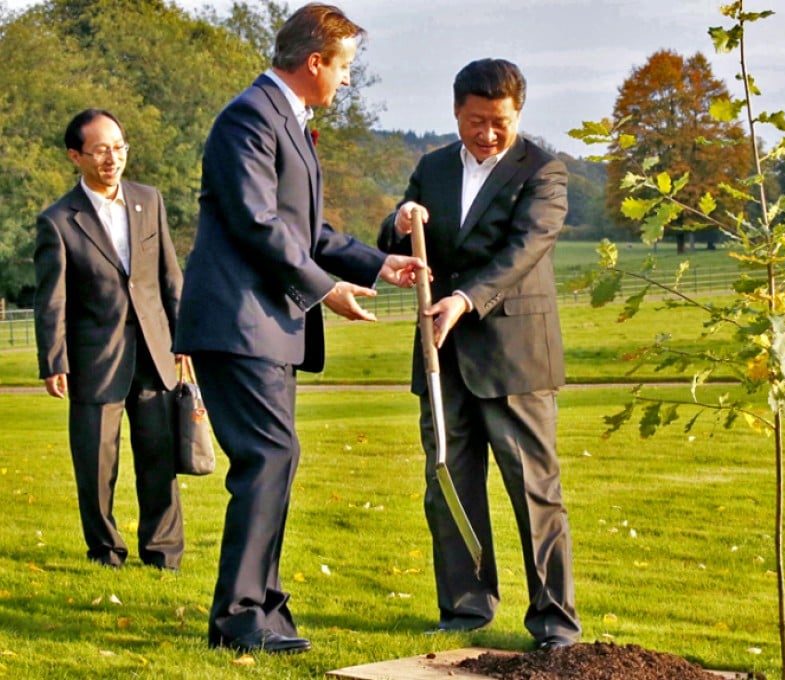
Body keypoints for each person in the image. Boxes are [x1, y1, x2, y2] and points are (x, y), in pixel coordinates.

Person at [173, 3, 422, 655]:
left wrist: (378, 261)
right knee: (269, 458)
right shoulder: (249, 117)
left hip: (266, 326)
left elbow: (307, 231)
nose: (347, 82)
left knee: (276, 460)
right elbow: (258, 224)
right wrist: (327, 289)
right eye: (345, 69)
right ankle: (239, 619)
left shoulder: (288, 121)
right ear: (315, 62)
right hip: (237, 323)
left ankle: (265, 607)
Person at [377, 58, 581, 649]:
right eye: (475, 121)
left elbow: (525, 249)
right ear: (456, 112)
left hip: (515, 357)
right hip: (440, 356)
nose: (487, 133)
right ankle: (465, 611)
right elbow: (394, 240)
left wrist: (466, 299)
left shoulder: (544, 172)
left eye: (499, 122)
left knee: (533, 491)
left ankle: (554, 623)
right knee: (448, 486)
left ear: (518, 113)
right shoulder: (432, 167)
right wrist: (399, 218)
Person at [33, 108, 185, 571]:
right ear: (75, 155)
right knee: (96, 466)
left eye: (118, 147)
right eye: (100, 150)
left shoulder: (148, 199)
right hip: (94, 359)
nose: (111, 158)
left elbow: (169, 276)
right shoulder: (58, 220)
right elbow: (51, 297)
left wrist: (185, 340)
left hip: (157, 353)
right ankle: (105, 550)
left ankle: (163, 553)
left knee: (160, 458)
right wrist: (53, 358)